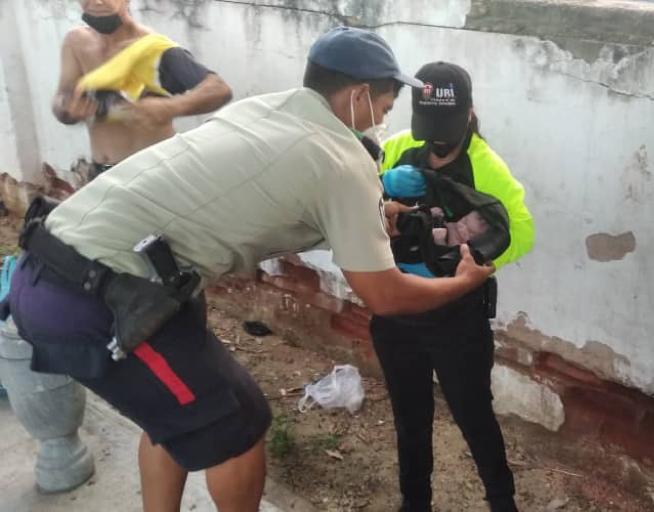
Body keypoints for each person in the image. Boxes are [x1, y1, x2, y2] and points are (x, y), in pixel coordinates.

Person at [6, 27, 495, 512]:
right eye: (385, 109)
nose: (381, 123)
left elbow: (284, 194)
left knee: (176, 417)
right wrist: (460, 284)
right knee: (235, 425)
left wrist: (372, 213)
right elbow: (385, 296)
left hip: (66, 261)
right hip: (94, 298)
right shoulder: (342, 160)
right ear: (359, 95)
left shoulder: (266, 108)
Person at [375, 62, 535, 512]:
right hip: (397, 307)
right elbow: (359, 190)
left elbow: (521, 230)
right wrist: (382, 212)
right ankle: (415, 502)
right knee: (410, 417)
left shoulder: (486, 166)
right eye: (427, 124)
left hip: (455, 316)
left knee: (473, 415)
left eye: (445, 125)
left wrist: (476, 262)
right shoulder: (398, 148)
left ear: (469, 114)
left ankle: (502, 502)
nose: (435, 138)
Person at [55, 0, 232, 179]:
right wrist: (66, 108)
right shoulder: (76, 43)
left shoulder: (154, 49)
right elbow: (62, 97)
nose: (96, 2)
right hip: (104, 172)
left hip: (155, 172)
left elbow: (218, 89)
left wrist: (170, 107)